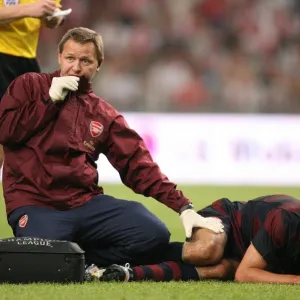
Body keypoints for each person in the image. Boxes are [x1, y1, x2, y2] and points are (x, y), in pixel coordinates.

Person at [0, 27, 223, 268]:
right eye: (70, 58)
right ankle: (72, 258)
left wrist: (183, 207)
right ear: (59, 57)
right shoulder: (29, 85)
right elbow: (5, 132)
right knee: (45, 256)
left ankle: (82, 262)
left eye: (85, 61)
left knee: (153, 234)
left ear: (98, 65)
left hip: (85, 204)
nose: (75, 67)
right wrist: (48, 101)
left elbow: (138, 165)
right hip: (35, 203)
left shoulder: (103, 114)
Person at [95, 194, 300, 284]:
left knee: (220, 270)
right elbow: (245, 274)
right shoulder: (287, 218)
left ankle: (127, 273)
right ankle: (98, 254)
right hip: (226, 220)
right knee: (206, 251)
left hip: (245, 254)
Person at [0, 0, 66, 168]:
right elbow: (33, 10)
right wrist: (29, 9)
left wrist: (52, 19)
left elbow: (52, 16)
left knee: (30, 135)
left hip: (27, 60)